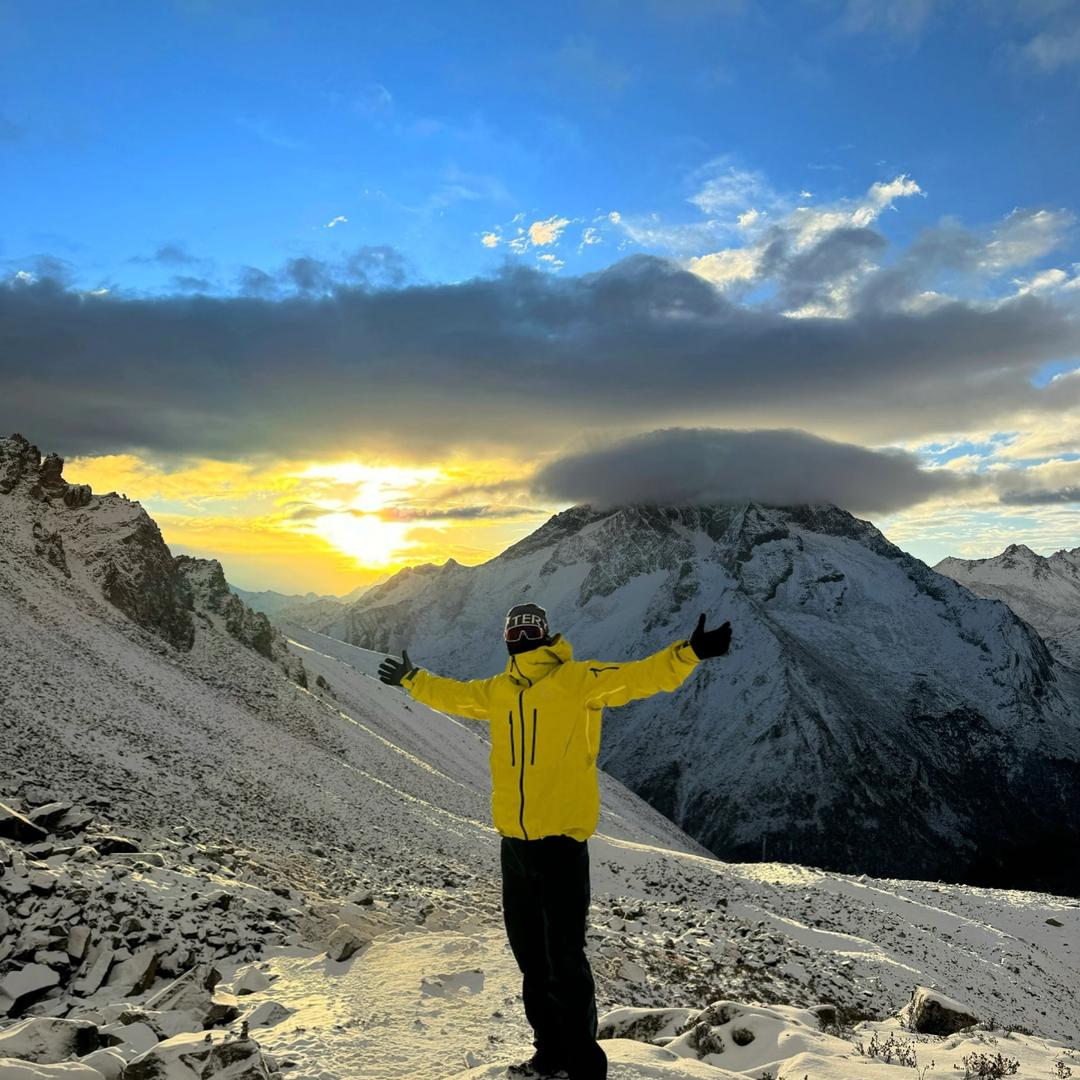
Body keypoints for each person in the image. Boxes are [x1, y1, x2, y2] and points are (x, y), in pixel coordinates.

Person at [378, 602, 733, 1080]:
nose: (522, 637)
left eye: (529, 630)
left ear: (543, 636)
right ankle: (549, 1056)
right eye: (517, 630)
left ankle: (584, 1067)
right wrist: (413, 679)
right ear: (509, 639)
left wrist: (688, 653)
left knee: (564, 959)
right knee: (532, 960)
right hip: (516, 845)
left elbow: (638, 677)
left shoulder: (578, 680)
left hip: (562, 844)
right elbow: (455, 696)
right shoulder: (499, 691)